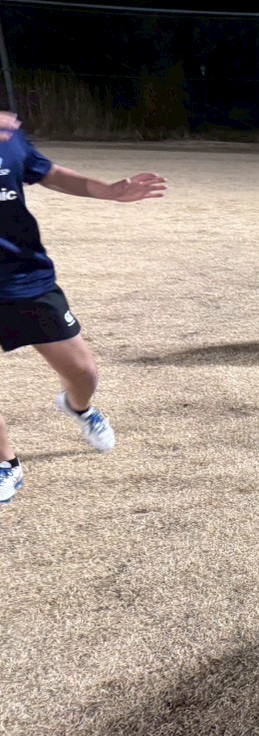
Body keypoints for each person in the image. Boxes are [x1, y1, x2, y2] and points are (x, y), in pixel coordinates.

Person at [0, 111, 167, 505]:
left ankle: (79, 408)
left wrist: (108, 190)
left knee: (83, 372)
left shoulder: (8, 139)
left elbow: (49, 173)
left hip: (25, 278)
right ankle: (7, 464)